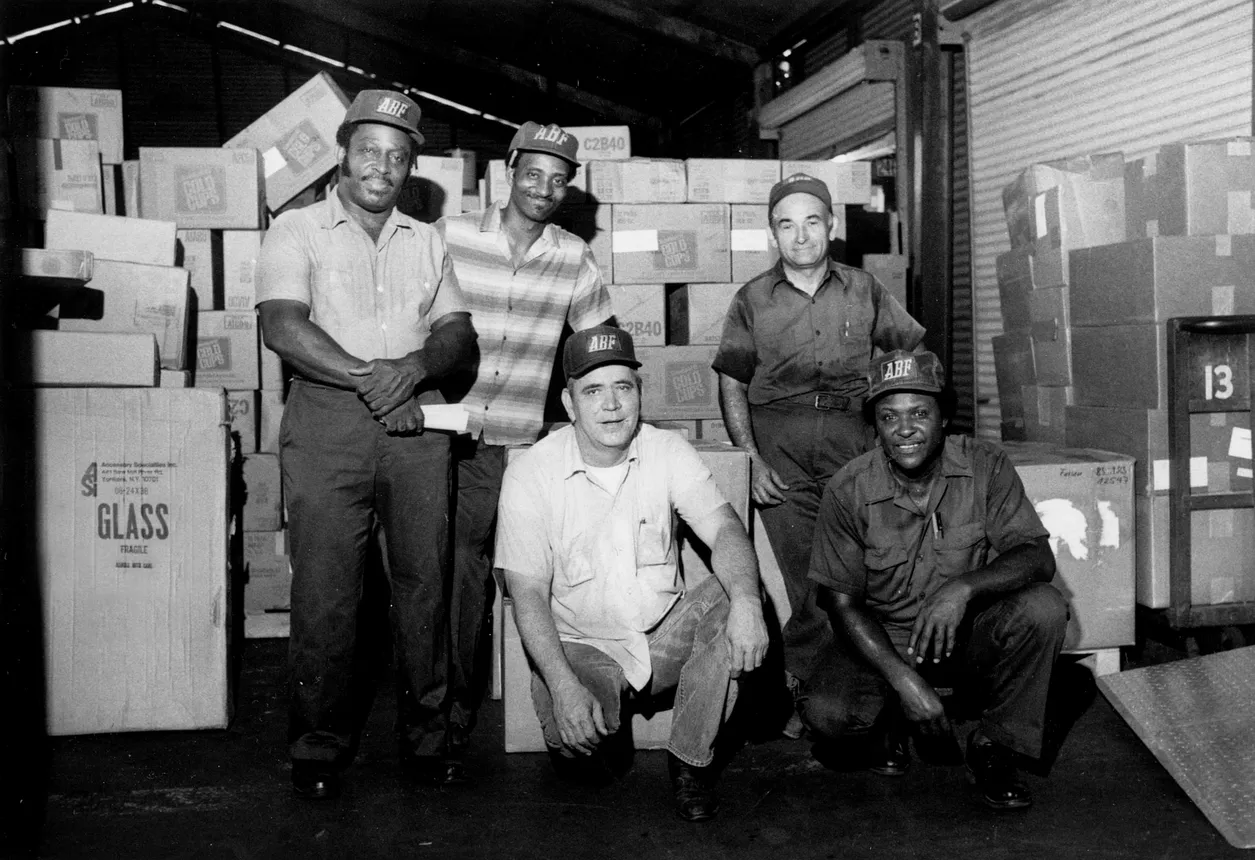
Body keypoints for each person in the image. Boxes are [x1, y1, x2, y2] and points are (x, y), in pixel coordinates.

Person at [256, 89, 478, 800]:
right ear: (343, 155)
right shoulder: (296, 229)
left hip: (416, 425)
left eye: (397, 155)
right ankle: (318, 744)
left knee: (425, 585)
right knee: (326, 592)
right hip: (327, 424)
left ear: (409, 166)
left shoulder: (428, 238)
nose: (382, 165)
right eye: (369, 151)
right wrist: (374, 380)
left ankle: (428, 737)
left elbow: (456, 333)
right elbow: (282, 325)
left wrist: (412, 371)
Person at [496, 325, 770, 823]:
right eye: (593, 391)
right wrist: (562, 686)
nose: (611, 405)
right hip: (583, 645)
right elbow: (528, 594)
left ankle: (690, 759)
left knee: (742, 594)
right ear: (569, 401)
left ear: (639, 392)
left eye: (623, 387)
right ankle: (591, 713)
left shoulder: (668, 450)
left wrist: (749, 603)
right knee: (579, 752)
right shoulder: (530, 473)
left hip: (664, 635)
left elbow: (726, 530)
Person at [802, 348, 1068, 810]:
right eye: (889, 416)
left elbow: (1037, 557)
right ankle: (888, 722)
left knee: (1043, 607)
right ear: (876, 426)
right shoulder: (848, 489)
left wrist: (962, 588)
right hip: (885, 638)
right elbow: (841, 604)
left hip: (966, 632)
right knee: (828, 715)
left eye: (919, 413)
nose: (904, 429)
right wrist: (907, 684)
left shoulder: (986, 465)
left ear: (944, 417)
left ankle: (994, 745)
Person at [712, 172, 925, 730]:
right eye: (787, 224)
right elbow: (732, 381)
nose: (801, 235)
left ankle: (865, 692)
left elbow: (912, 357)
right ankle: (811, 691)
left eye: (812, 221)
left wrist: (895, 433)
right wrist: (749, 458)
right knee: (807, 581)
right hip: (779, 450)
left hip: (853, 446)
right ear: (772, 234)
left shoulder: (865, 289)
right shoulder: (752, 299)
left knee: (863, 572)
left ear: (831, 225)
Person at [436, 121, 613, 765]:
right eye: (533, 174)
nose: (542, 189)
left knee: (519, 575)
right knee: (455, 577)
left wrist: (604, 417)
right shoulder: (448, 237)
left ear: (568, 190)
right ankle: (449, 717)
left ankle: (532, 701)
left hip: (519, 444)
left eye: (558, 180)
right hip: (447, 437)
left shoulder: (572, 256)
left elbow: (598, 350)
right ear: (508, 171)